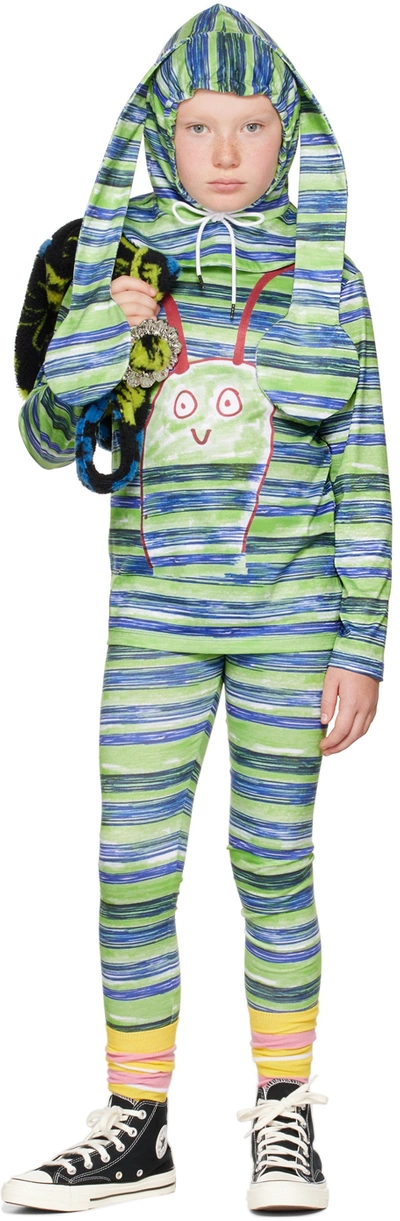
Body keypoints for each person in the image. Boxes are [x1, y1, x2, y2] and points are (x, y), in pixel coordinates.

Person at [2, 3, 392, 1214]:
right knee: (131, 866)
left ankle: (284, 1113)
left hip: (289, 624)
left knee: (274, 862)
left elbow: (364, 471)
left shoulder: (330, 283)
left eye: (253, 126)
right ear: (159, 135)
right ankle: (137, 1124)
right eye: (200, 126)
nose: (226, 151)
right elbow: (44, 439)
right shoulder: (114, 264)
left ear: (293, 137)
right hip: (155, 620)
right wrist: (95, 332)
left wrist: (362, 644)